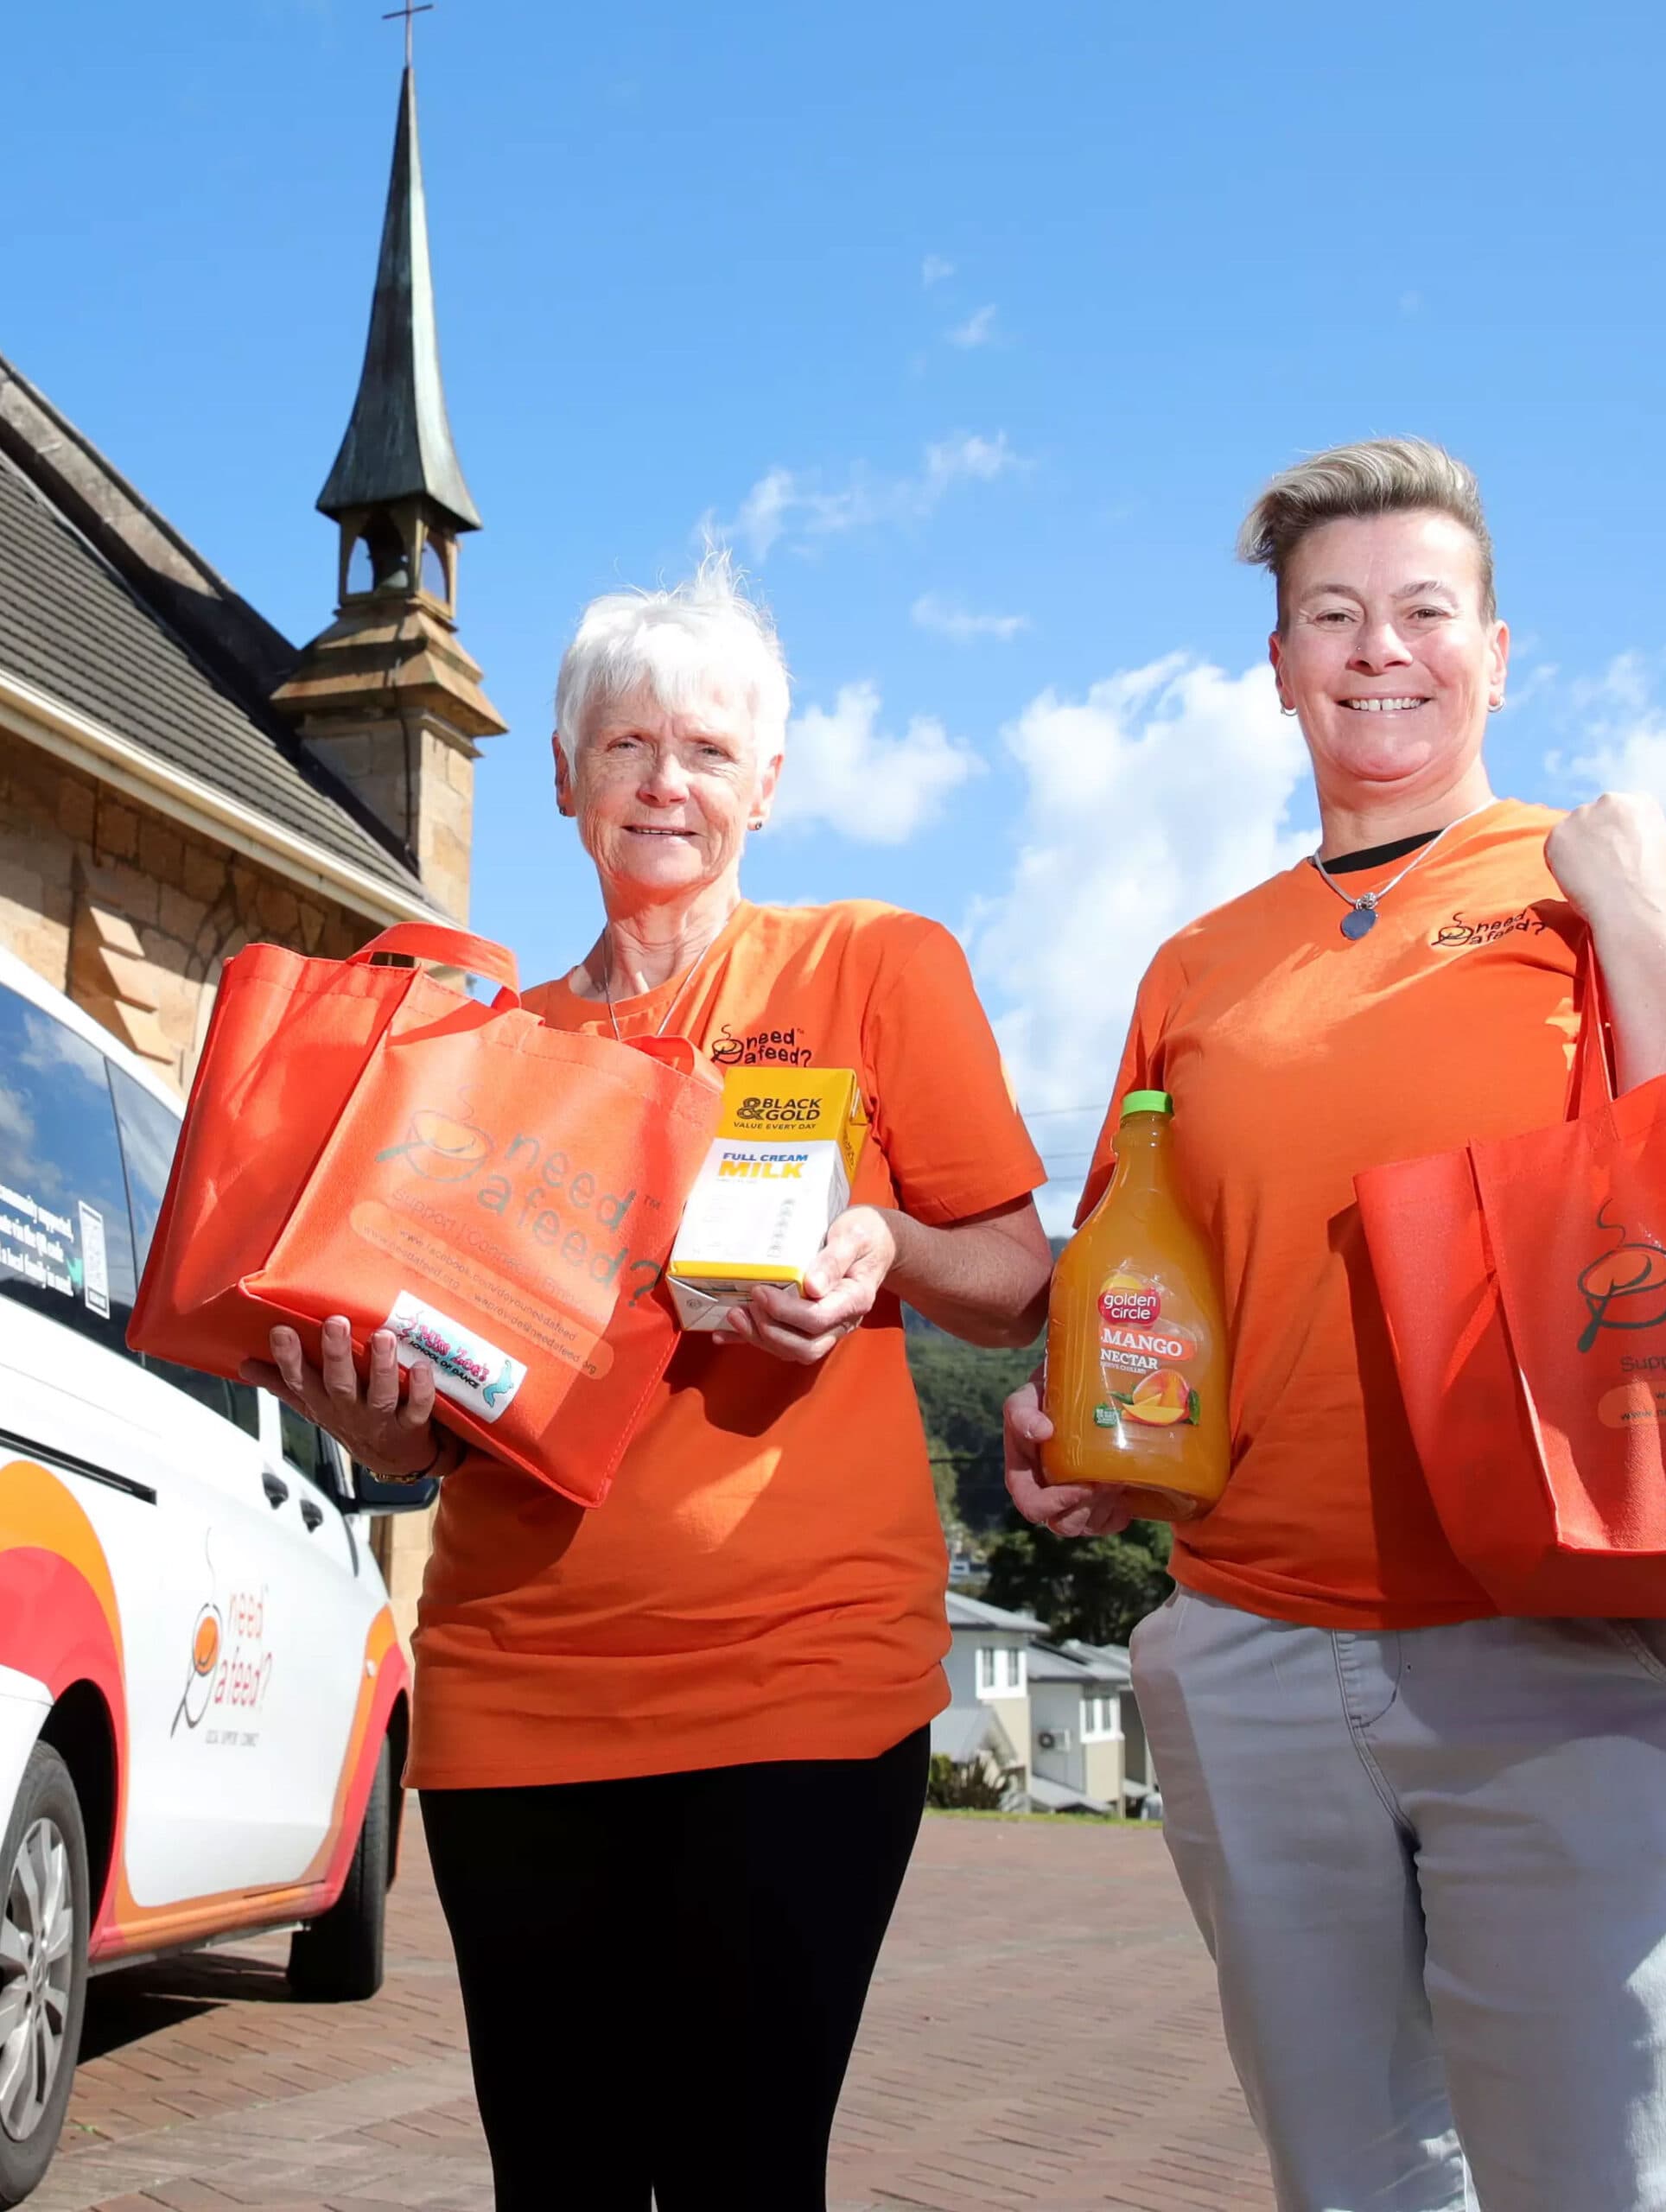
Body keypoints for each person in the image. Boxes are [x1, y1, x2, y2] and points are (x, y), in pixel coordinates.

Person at [1005, 439, 1666, 2212]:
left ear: (1496, 652)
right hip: (1254, 1637)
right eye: (1330, 615)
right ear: (1277, 665)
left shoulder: (1616, 881)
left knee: (1613, 2179)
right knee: (1345, 2179)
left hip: (1557, 1629)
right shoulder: (1196, 965)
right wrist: (1078, 1433)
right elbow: (1151, 1274)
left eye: (1423, 611)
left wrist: (1632, 904)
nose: (1378, 649)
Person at [247, 556, 1052, 2212]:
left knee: (744, 2170)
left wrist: (880, 1242)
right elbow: (448, 1416)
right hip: (516, 1696)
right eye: (621, 747)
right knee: (557, 2180)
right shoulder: (478, 1059)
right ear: (559, 779)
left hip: (796, 1679)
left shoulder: (875, 965)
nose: (662, 782)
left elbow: (1019, 1274)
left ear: (770, 777)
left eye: (702, 748)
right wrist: (384, 1427)